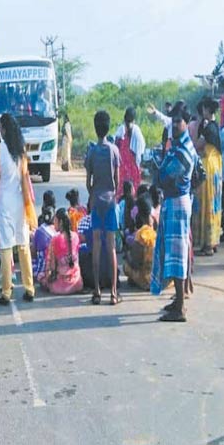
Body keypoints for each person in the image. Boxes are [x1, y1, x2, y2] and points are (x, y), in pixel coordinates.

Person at [151, 104, 197, 322]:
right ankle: (178, 300)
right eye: (173, 121)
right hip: (175, 201)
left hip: (178, 202)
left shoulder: (183, 151)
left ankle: (180, 307)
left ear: (186, 123)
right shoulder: (179, 146)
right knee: (173, 252)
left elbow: (163, 177)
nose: (174, 125)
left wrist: (157, 170)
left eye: (178, 121)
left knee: (177, 255)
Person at [0, 113, 37, 306]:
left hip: (4, 202)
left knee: (6, 247)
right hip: (20, 202)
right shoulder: (21, 150)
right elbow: (25, 178)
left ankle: (6, 292)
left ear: (4, 129)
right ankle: (29, 288)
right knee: (23, 245)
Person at [84, 110, 121, 305]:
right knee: (112, 247)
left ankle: (97, 290)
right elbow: (117, 180)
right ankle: (114, 293)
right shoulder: (114, 151)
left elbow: (88, 181)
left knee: (96, 246)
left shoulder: (91, 151)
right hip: (111, 199)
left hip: (96, 200)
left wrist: (92, 193)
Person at [193, 98, 222, 256]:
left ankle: (207, 245)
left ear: (206, 109)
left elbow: (198, 145)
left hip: (208, 167)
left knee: (206, 203)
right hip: (216, 165)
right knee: (214, 203)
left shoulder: (208, 128)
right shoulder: (215, 126)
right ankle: (213, 240)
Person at [39, 208, 83, 295]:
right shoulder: (75, 236)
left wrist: (47, 277)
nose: (54, 223)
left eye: (55, 220)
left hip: (59, 286)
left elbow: (50, 266)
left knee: (40, 276)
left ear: (61, 223)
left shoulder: (55, 239)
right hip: (76, 283)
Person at [123, 194, 156, 290]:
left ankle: (136, 280)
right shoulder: (157, 232)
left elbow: (136, 263)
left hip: (147, 281)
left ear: (140, 216)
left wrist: (128, 256)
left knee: (126, 266)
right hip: (161, 279)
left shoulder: (141, 234)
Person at [115, 107, 146, 191]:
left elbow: (115, 148)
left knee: (121, 191)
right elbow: (140, 152)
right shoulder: (137, 132)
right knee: (133, 193)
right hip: (133, 169)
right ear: (134, 119)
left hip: (122, 168)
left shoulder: (120, 130)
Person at [32, 206, 56, 282]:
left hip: (42, 267)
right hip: (55, 265)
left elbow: (34, 252)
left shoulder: (39, 231)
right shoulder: (58, 230)